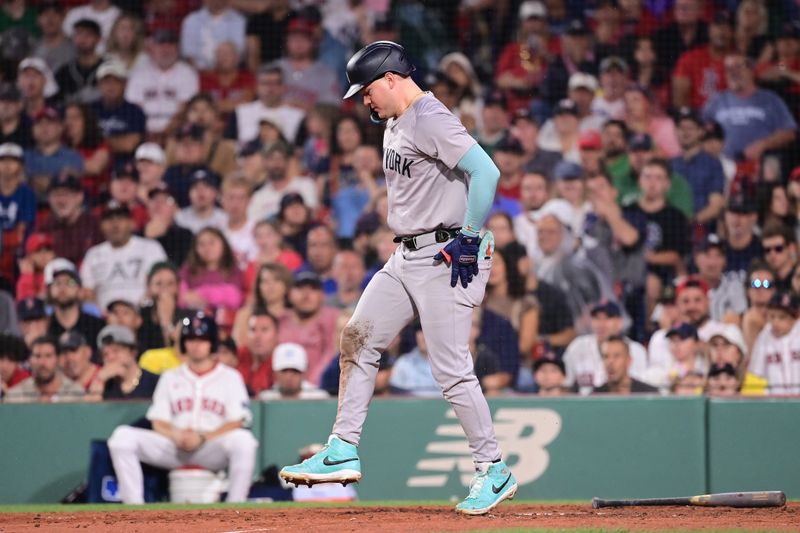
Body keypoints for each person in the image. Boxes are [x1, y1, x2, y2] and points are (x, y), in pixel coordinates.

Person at [279, 41, 517, 516]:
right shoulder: (393, 121)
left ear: (390, 78)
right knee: (358, 339)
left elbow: (485, 172)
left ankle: (493, 468)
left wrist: (469, 237)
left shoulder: (429, 116)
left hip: (447, 254)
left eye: (367, 90)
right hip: (405, 255)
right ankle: (343, 446)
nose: (363, 100)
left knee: (450, 368)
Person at [107, 312, 258, 504]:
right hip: (174, 447)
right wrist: (175, 435)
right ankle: (134, 507)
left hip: (210, 447)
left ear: (212, 342)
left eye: (202, 339)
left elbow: (237, 421)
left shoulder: (230, 377)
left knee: (244, 441)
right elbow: (158, 421)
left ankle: (236, 505)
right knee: (121, 438)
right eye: (191, 339)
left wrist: (202, 437)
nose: (196, 344)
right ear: (184, 343)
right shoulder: (170, 377)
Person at [702, 53, 797, 162]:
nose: (733, 72)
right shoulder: (716, 101)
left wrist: (764, 144)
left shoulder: (771, 99)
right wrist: (708, 143)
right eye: (728, 69)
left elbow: (789, 132)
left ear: (751, 71)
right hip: (722, 163)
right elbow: (701, 129)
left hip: (760, 163)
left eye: (738, 67)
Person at [80, 201, 167, 309]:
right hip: (105, 319)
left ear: (132, 223)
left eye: (120, 218)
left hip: (144, 315)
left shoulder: (150, 248)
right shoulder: (93, 254)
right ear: (101, 225)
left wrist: (140, 311)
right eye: (109, 219)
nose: (115, 224)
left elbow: (164, 282)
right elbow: (87, 292)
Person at [562, 300, 649, 396]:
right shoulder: (577, 347)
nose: (601, 324)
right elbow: (567, 385)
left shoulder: (636, 350)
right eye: (597, 318)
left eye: (608, 318)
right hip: (585, 405)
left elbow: (639, 388)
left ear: (619, 322)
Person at [125, 29, 199, 137]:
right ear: (152, 48)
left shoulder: (188, 73)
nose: (165, 50)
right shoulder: (139, 74)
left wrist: (166, 133)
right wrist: (144, 131)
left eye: (170, 45)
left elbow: (185, 109)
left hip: (176, 133)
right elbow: (134, 107)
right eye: (161, 45)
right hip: (143, 132)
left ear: (177, 49)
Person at [671, 107, 725, 225]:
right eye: (681, 128)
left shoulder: (712, 164)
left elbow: (715, 206)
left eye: (690, 128)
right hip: (671, 227)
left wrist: (690, 222)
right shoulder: (670, 164)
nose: (685, 132)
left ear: (700, 132)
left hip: (700, 228)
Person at [672, 11, 733, 111]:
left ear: (732, 32)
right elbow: (679, 99)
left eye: (727, 27)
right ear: (709, 30)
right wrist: (687, 119)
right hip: (695, 117)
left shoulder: (738, 62)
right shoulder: (690, 58)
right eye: (717, 26)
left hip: (728, 118)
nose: (722, 31)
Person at [232, 64, 305, 146]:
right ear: (256, 87)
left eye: (275, 83)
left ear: (284, 87)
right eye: (265, 83)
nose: (270, 88)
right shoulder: (240, 112)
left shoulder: (298, 116)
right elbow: (229, 145)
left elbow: (300, 150)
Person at [37, 173, 101, 264]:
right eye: (56, 195)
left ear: (80, 197)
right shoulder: (44, 229)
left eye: (66, 194)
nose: (61, 201)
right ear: (49, 199)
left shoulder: (95, 225)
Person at [179, 227, 245, 314]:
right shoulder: (188, 269)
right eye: (202, 244)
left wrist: (203, 294)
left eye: (212, 243)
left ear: (223, 244)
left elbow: (234, 298)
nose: (207, 248)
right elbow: (181, 298)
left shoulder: (232, 269)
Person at [45, 257, 105, 351]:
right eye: (57, 283)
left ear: (79, 289)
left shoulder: (95, 325)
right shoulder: (46, 327)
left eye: (70, 282)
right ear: (49, 290)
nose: (62, 288)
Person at [4, 335, 85, 402]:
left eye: (48, 356)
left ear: (58, 359)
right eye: (37, 356)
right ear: (29, 360)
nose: (42, 363)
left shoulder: (75, 393)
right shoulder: (15, 396)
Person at [87, 324, 157, 400]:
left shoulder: (154, 382)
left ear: (132, 352)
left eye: (116, 350)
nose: (111, 357)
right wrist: (99, 381)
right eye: (105, 354)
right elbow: (92, 409)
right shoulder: (106, 385)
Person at [748, 292, 800, 394]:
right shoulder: (764, 337)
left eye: (782, 317)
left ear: (795, 318)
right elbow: (755, 375)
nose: (775, 322)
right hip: (775, 403)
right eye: (772, 316)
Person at [92, 60, 145, 159]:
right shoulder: (89, 110)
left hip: (123, 164)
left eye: (116, 81)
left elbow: (128, 145)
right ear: (99, 85)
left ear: (125, 84)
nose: (110, 86)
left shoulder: (134, 112)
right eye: (106, 82)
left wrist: (97, 142)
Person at [0, 142, 35, 282]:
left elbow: (24, 227)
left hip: (17, 248)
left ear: (20, 166)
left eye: (12, 160)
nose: (7, 165)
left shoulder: (26, 193)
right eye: (3, 160)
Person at [180, 0, 245, 72]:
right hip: (199, 73)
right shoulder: (191, 20)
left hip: (228, 73)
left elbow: (238, 52)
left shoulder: (238, 20)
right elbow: (189, 55)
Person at [55, 18, 102, 104]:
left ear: (98, 39)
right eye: (78, 34)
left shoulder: (108, 68)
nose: (83, 39)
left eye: (88, 35)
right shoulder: (64, 72)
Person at [259, 342, 328, 400]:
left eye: (295, 371)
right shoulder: (265, 399)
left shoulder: (319, 398)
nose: (289, 376)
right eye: (284, 370)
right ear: (275, 373)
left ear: (304, 373)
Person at [593, 335, 659, 394]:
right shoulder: (594, 396)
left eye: (616, 356)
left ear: (628, 360)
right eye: (606, 356)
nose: (610, 362)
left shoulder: (648, 394)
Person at [236, 309, 279, 396]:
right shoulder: (237, 356)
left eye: (264, 330)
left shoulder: (282, 363)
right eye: (253, 330)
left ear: (276, 334)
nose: (258, 336)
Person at [761, 223, 798, 292]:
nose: (772, 254)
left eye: (778, 248)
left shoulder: (798, 277)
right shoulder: (764, 282)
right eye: (767, 250)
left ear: (791, 248)